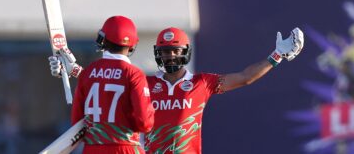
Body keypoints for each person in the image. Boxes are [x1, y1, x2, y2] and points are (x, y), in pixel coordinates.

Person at [49, 26, 304, 154]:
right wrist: (72, 69)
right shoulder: (145, 83)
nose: (170, 56)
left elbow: (245, 77)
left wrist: (277, 55)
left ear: (185, 53)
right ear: (157, 54)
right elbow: (105, 83)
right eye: (165, 52)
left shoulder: (202, 83)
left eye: (174, 51)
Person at [50, 16, 154, 154]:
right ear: (132, 45)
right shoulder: (134, 74)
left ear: (102, 40)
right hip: (126, 148)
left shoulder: (88, 73)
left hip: (93, 149)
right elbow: (145, 123)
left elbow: (77, 121)